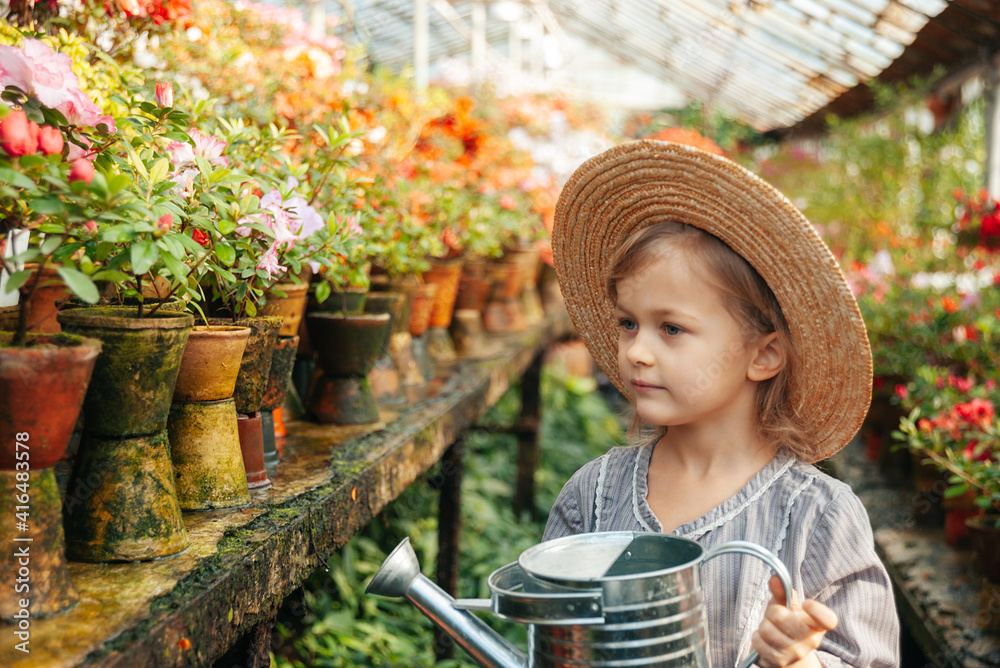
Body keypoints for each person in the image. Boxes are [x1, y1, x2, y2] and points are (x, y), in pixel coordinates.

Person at [544, 140, 899, 668]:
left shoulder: (816, 517)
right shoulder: (593, 498)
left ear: (764, 355)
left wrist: (802, 660)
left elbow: (865, 659)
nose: (637, 351)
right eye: (628, 323)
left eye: (671, 328)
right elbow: (550, 643)